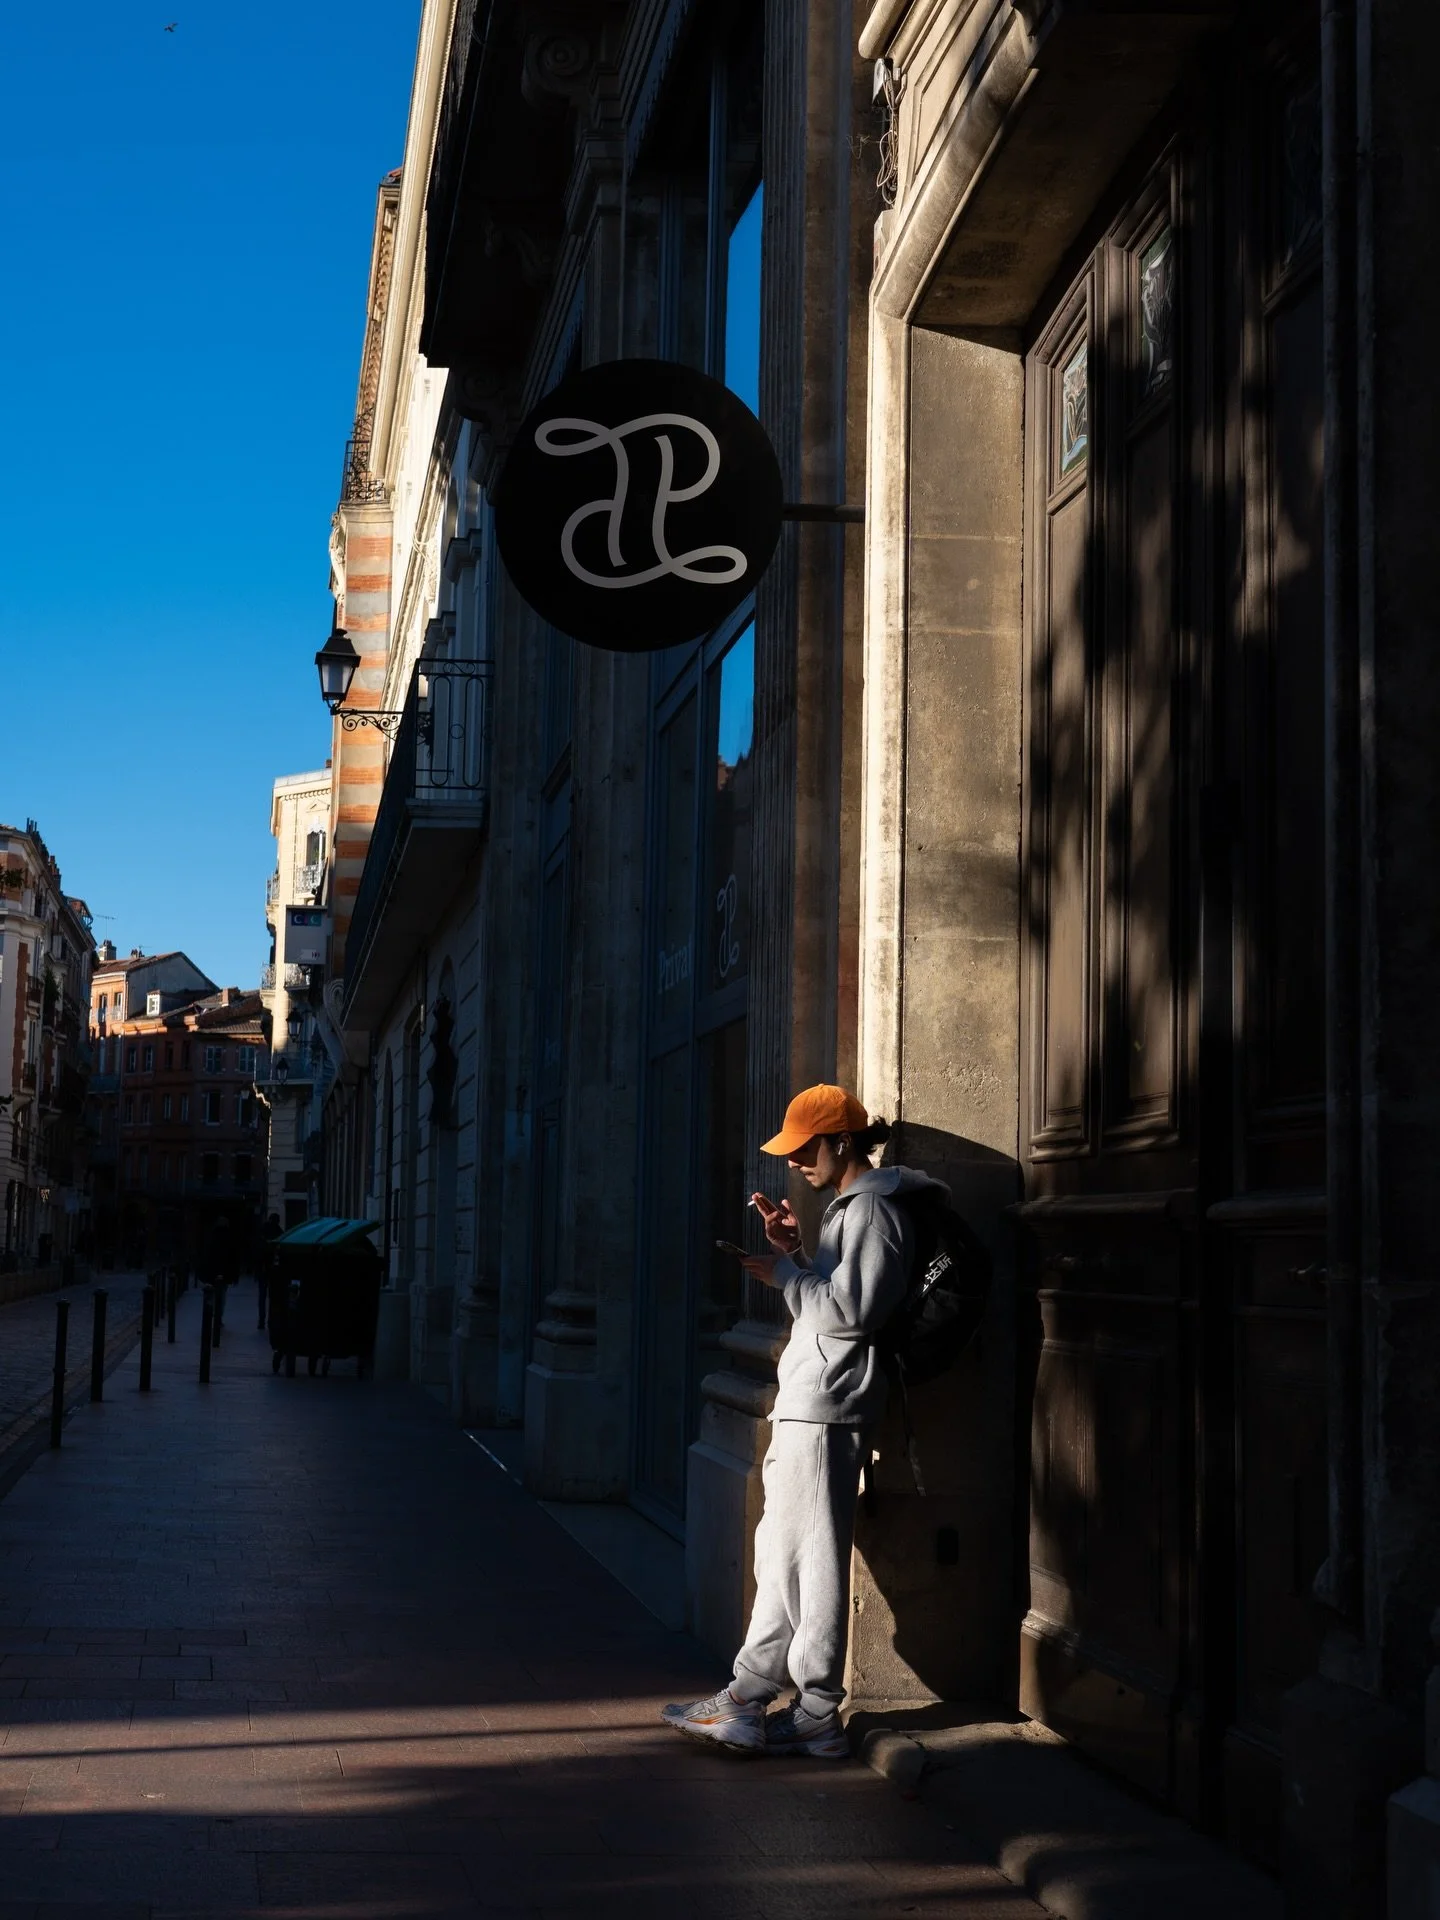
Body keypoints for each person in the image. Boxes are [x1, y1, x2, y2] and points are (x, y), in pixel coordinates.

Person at [661, 1084, 949, 1760]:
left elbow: (852, 1313)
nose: (793, 1163)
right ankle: (751, 1695)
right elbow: (838, 1304)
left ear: (841, 1141)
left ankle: (805, 1707)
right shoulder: (854, 1209)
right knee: (784, 1555)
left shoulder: (874, 1210)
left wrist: (785, 1275)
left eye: (803, 1148)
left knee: (806, 1562)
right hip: (815, 1402)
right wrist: (796, 1254)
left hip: (828, 1406)